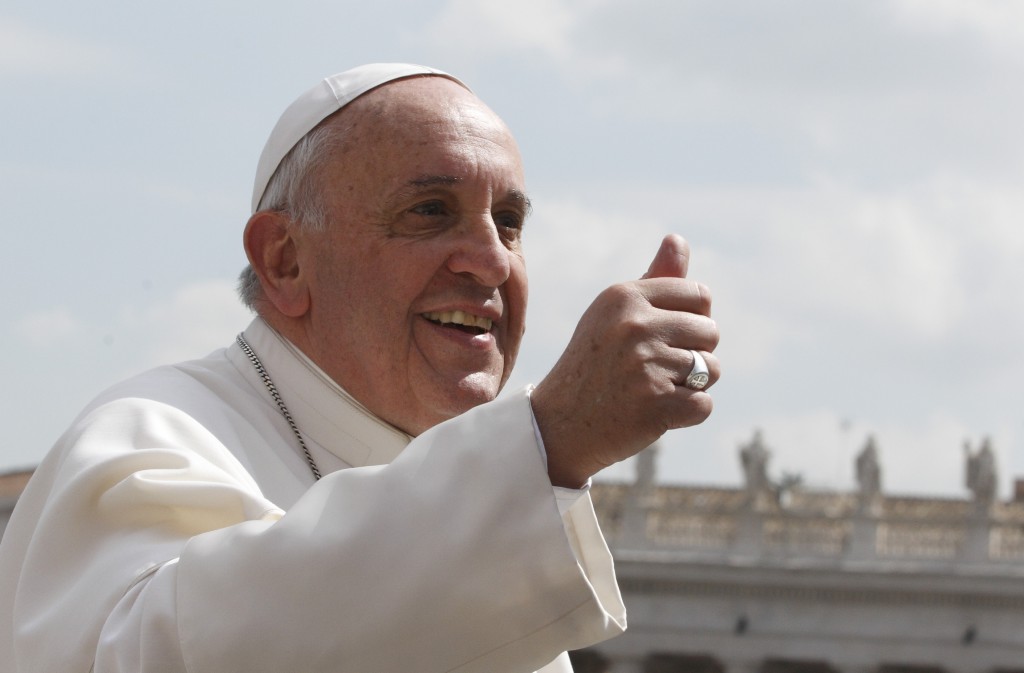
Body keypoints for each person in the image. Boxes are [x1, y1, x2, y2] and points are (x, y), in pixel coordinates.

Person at [0, 63, 720, 672]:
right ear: (284, 259)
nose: (494, 259)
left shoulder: (491, 513)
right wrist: (550, 439)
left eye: (508, 222)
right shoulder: (152, 431)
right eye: (431, 210)